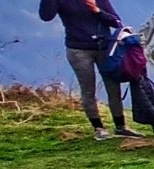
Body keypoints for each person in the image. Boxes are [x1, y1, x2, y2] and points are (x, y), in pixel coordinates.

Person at [40, 0, 143, 140]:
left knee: (113, 88)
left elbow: (116, 22)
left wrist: (98, 11)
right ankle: (99, 128)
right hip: (78, 49)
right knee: (88, 89)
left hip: (105, 48)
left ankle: (121, 127)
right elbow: (46, 16)